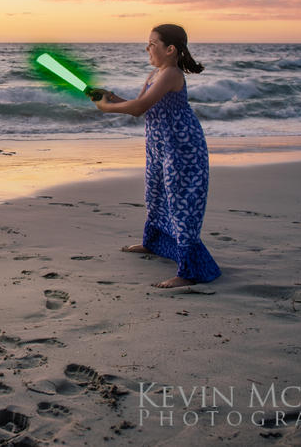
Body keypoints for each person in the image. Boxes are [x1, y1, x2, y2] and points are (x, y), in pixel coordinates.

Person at [94, 24, 221, 288]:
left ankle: (189, 272)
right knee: (155, 193)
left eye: (152, 44)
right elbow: (141, 103)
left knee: (180, 201)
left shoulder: (171, 74)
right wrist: (110, 97)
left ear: (170, 49)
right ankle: (153, 243)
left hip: (181, 146)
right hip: (159, 145)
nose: (147, 48)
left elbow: (138, 108)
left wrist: (107, 108)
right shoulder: (155, 73)